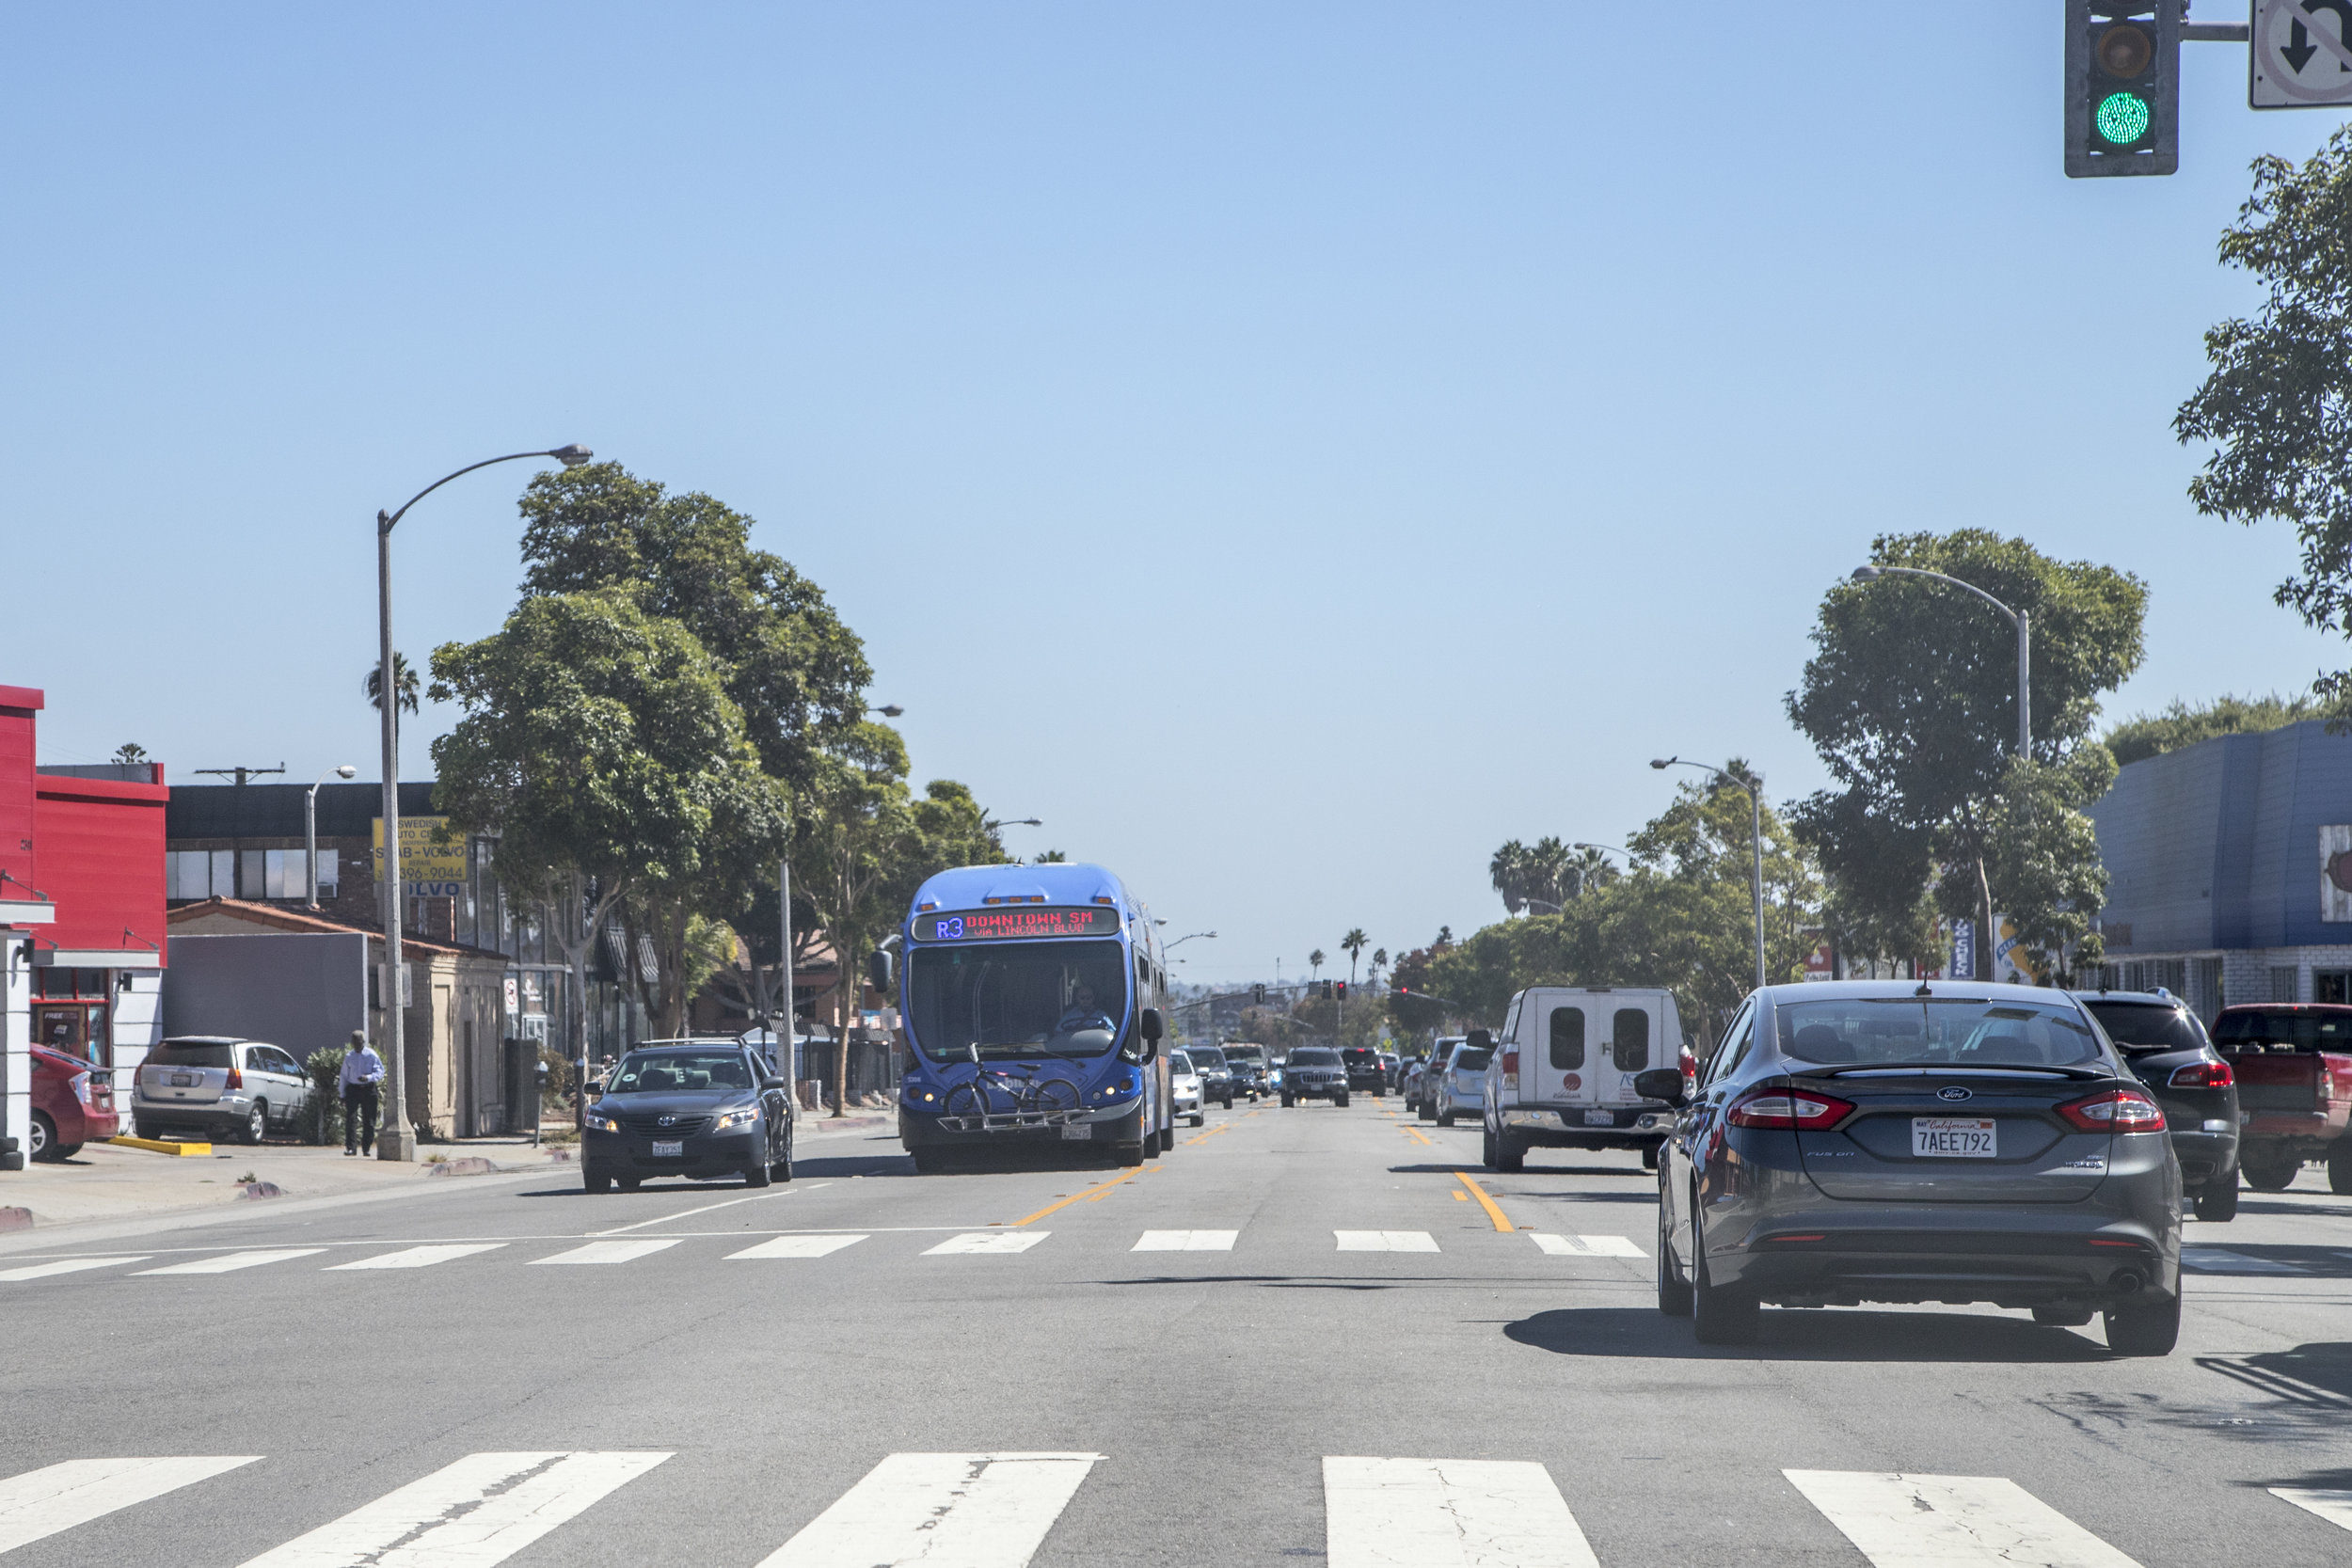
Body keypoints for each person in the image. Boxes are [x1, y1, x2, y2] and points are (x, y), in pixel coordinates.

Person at [340, 1030, 385, 1156]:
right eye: (354, 1042)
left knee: (369, 1120)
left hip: (368, 1089)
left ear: (363, 1041)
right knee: (351, 1119)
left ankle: (366, 1148)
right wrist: (342, 1094)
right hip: (353, 1089)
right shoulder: (349, 1057)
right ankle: (351, 1148)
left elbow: (380, 1072)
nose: (356, 1044)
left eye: (358, 1041)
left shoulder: (371, 1055)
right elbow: (344, 1076)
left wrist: (369, 1077)